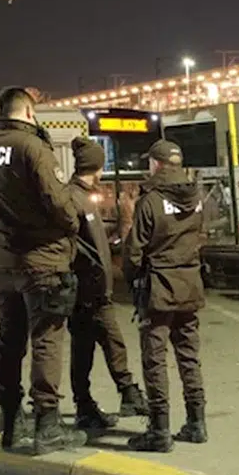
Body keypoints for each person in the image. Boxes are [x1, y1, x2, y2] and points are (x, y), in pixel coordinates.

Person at [0, 86, 83, 455]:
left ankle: (10, 421)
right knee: (47, 338)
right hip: (42, 261)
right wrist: (72, 222)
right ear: (29, 112)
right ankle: (47, 424)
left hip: (3, 260)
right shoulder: (32, 147)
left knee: (9, 338)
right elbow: (58, 201)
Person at [121, 139, 208, 452]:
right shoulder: (196, 196)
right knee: (189, 355)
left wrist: (132, 279)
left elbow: (134, 250)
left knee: (155, 358)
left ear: (156, 164)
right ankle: (197, 422)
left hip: (158, 287)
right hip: (190, 283)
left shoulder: (151, 200)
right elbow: (200, 235)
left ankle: (159, 430)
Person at [65, 136, 150, 431]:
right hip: (88, 289)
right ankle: (125, 394)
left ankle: (88, 404)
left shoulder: (83, 197)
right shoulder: (74, 198)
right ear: (96, 167)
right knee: (106, 341)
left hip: (93, 287)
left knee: (86, 347)